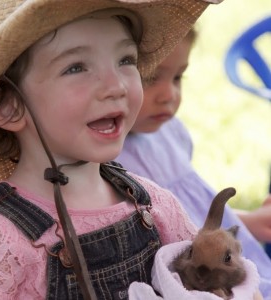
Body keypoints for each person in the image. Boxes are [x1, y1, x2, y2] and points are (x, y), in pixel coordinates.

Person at [0, 0, 234, 299]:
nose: (116, 85)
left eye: (125, 60)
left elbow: (209, 285)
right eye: (76, 67)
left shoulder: (154, 206)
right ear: (9, 106)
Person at [116, 26, 271, 299]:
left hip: (236, 268)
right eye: (150, 78)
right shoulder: (112, 162)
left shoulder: (170, 133)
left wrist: (245, 222)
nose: (169, 95)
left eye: (178, 77)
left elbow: (188, 210)